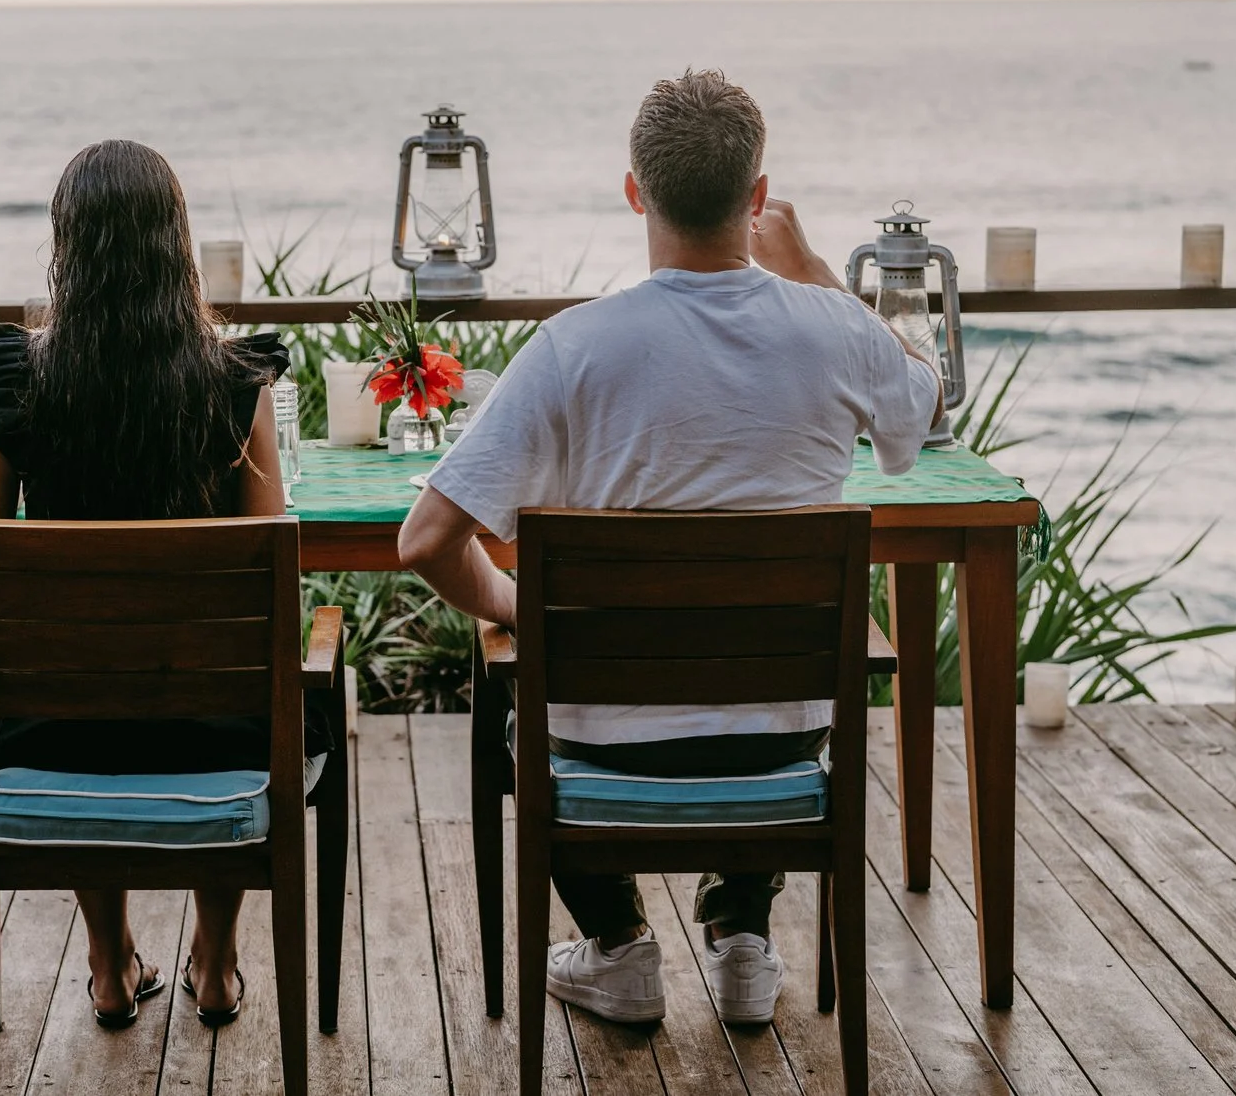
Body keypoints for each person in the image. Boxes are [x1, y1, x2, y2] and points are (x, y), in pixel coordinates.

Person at [395, 70, 940, 1028]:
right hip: (781, 741)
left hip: (601, 744)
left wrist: (522, 607)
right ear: (759, 197)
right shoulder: (835, 329)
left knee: (529, 702)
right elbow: (922, 401)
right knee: (754, 682)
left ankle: (615, 946)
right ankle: (742, 936)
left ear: (636, 192)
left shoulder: (571, 349)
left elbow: (427, 540)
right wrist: (811, 267)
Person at [0, 138, 289, 1031]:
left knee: (88, 679)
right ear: (175, 244)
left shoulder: (12, 381)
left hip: (57, 734)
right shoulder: (233, 383)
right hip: (216, 736)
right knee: (235, 681)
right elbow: (269, 568)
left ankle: (109, 968)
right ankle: (215, 967)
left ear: (66, 247)